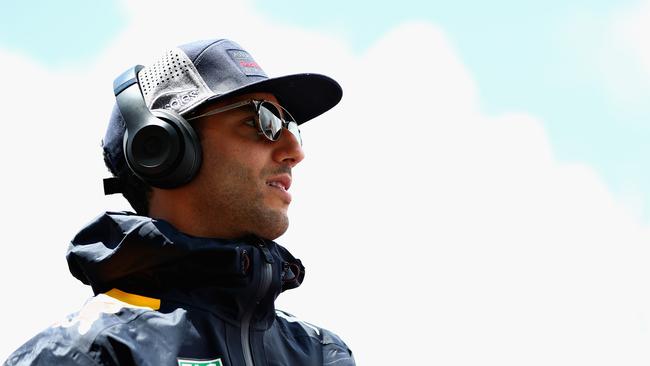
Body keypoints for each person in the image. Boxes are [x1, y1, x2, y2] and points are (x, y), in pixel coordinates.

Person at [4, 39, 355, 366]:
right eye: (262, 120)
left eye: (290, 126)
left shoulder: (321, 353)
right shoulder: (84, 353)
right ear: (162, 147)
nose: (295, 151)